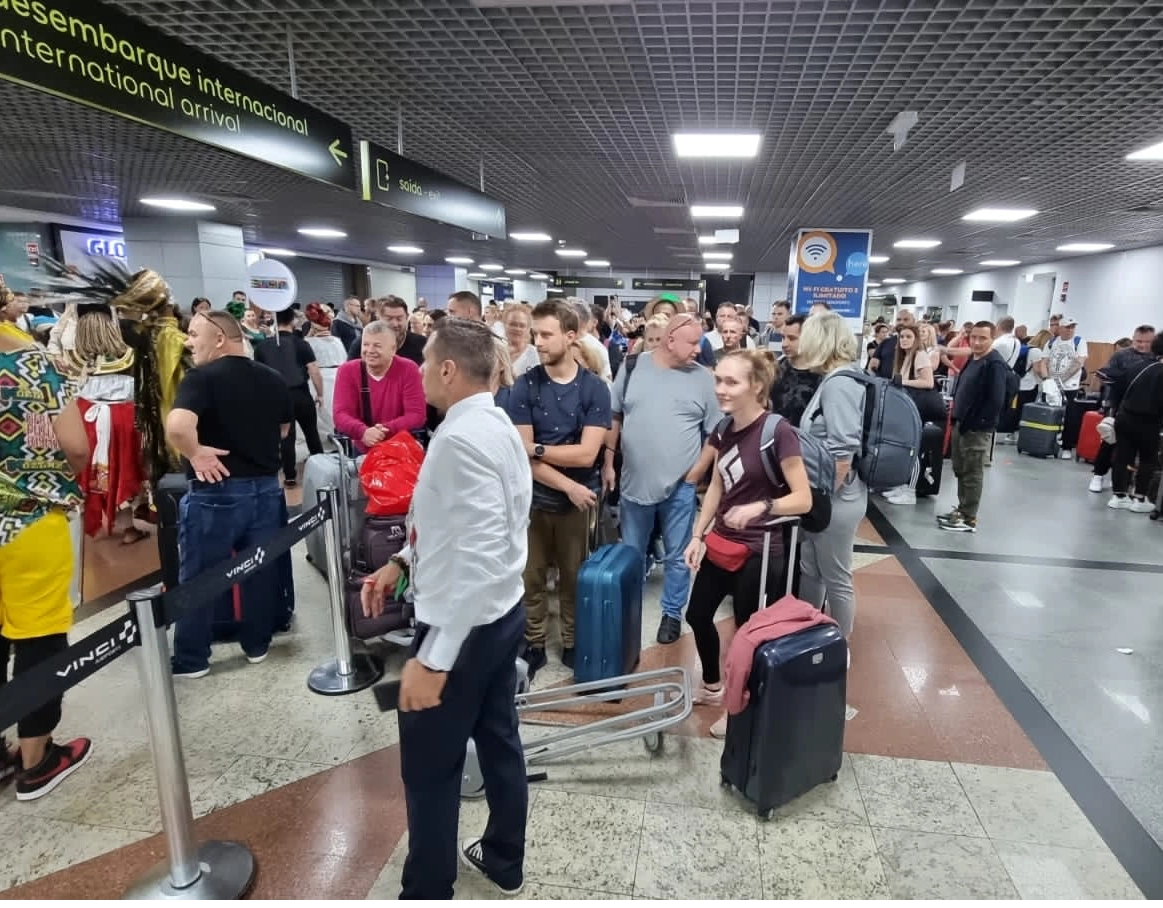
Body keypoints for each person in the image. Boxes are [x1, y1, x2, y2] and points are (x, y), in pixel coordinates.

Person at [361, 318, 531, 904]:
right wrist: (403, 562)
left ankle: (428, 890)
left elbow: (477, 557)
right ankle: (505, 860)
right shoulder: (495, 423)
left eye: (427, 361)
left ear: (450, 370)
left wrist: (434, 655)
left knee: (430, 770)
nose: (421, 370)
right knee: (499, 738)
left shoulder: (459, 439)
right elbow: (457, 526)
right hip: (501, 612)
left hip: (464, 625)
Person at [684, 351, 812, 738]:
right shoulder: (723, 429)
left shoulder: (779, 432)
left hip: (762, 548)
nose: (721, 389)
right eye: (718, 380)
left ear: (756, 386)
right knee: (698, 615)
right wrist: (697, 535)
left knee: (747, 633)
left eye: (731, 382)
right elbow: (718, 485)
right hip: (723, 541)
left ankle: (739, 706)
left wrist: (762, 506)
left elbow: (803, 498)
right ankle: (712, 686)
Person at [165, 310, 294, 677]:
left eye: (193, 333)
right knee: (260, 571)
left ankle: (191, 659)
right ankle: (257, 644)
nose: (189, 341)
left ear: (220, 338)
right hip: (267, 490)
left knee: (201, 578)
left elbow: (177, 426)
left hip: (216, 492)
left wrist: (196, 452)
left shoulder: (201, 378)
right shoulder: (273, 378)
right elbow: (283, 429)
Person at [0, 326, 93, 800]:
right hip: (27, 520)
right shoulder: (30, 365)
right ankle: (36, 758)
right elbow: (75, 446)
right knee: (38, 635)